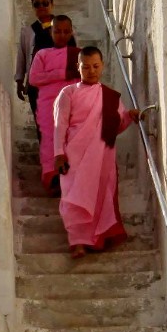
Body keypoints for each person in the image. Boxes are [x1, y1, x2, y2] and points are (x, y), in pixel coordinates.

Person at [51, 45, 138, 257]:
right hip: (74, 153)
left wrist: (130, 116)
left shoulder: (110, 97)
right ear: (78, 67)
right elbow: (60, 124)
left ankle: (99, 237)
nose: (91, 71)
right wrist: (58, 153)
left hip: (102, 155)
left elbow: (116, 125)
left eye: (96, 66)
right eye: (86, 67)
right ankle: (78, 242)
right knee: (74, 197)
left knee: (100, 194)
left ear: (103, 66)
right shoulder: (68, 93)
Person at [28, 15, 81, 191]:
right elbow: (34, 79)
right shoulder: (42, 54)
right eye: (57, 31)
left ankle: (71, 177)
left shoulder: (77, 55)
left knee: (70, 138)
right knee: (49, 138)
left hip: (71, 104)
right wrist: (61, 73)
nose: (61, 35)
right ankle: (52, 177)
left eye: (66, 31)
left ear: (71, 32)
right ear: (51, 32)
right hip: (47, 106)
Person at [16, 0, 56, 107]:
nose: (41, 7)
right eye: (37, 4)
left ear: (52, 4)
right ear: (33, 7)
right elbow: (22, 57)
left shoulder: (63, 28)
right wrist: (19, 81)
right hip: (35, 85)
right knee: (41, 122)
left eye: (45, 3)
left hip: (58, 83)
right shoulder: (27, 32)